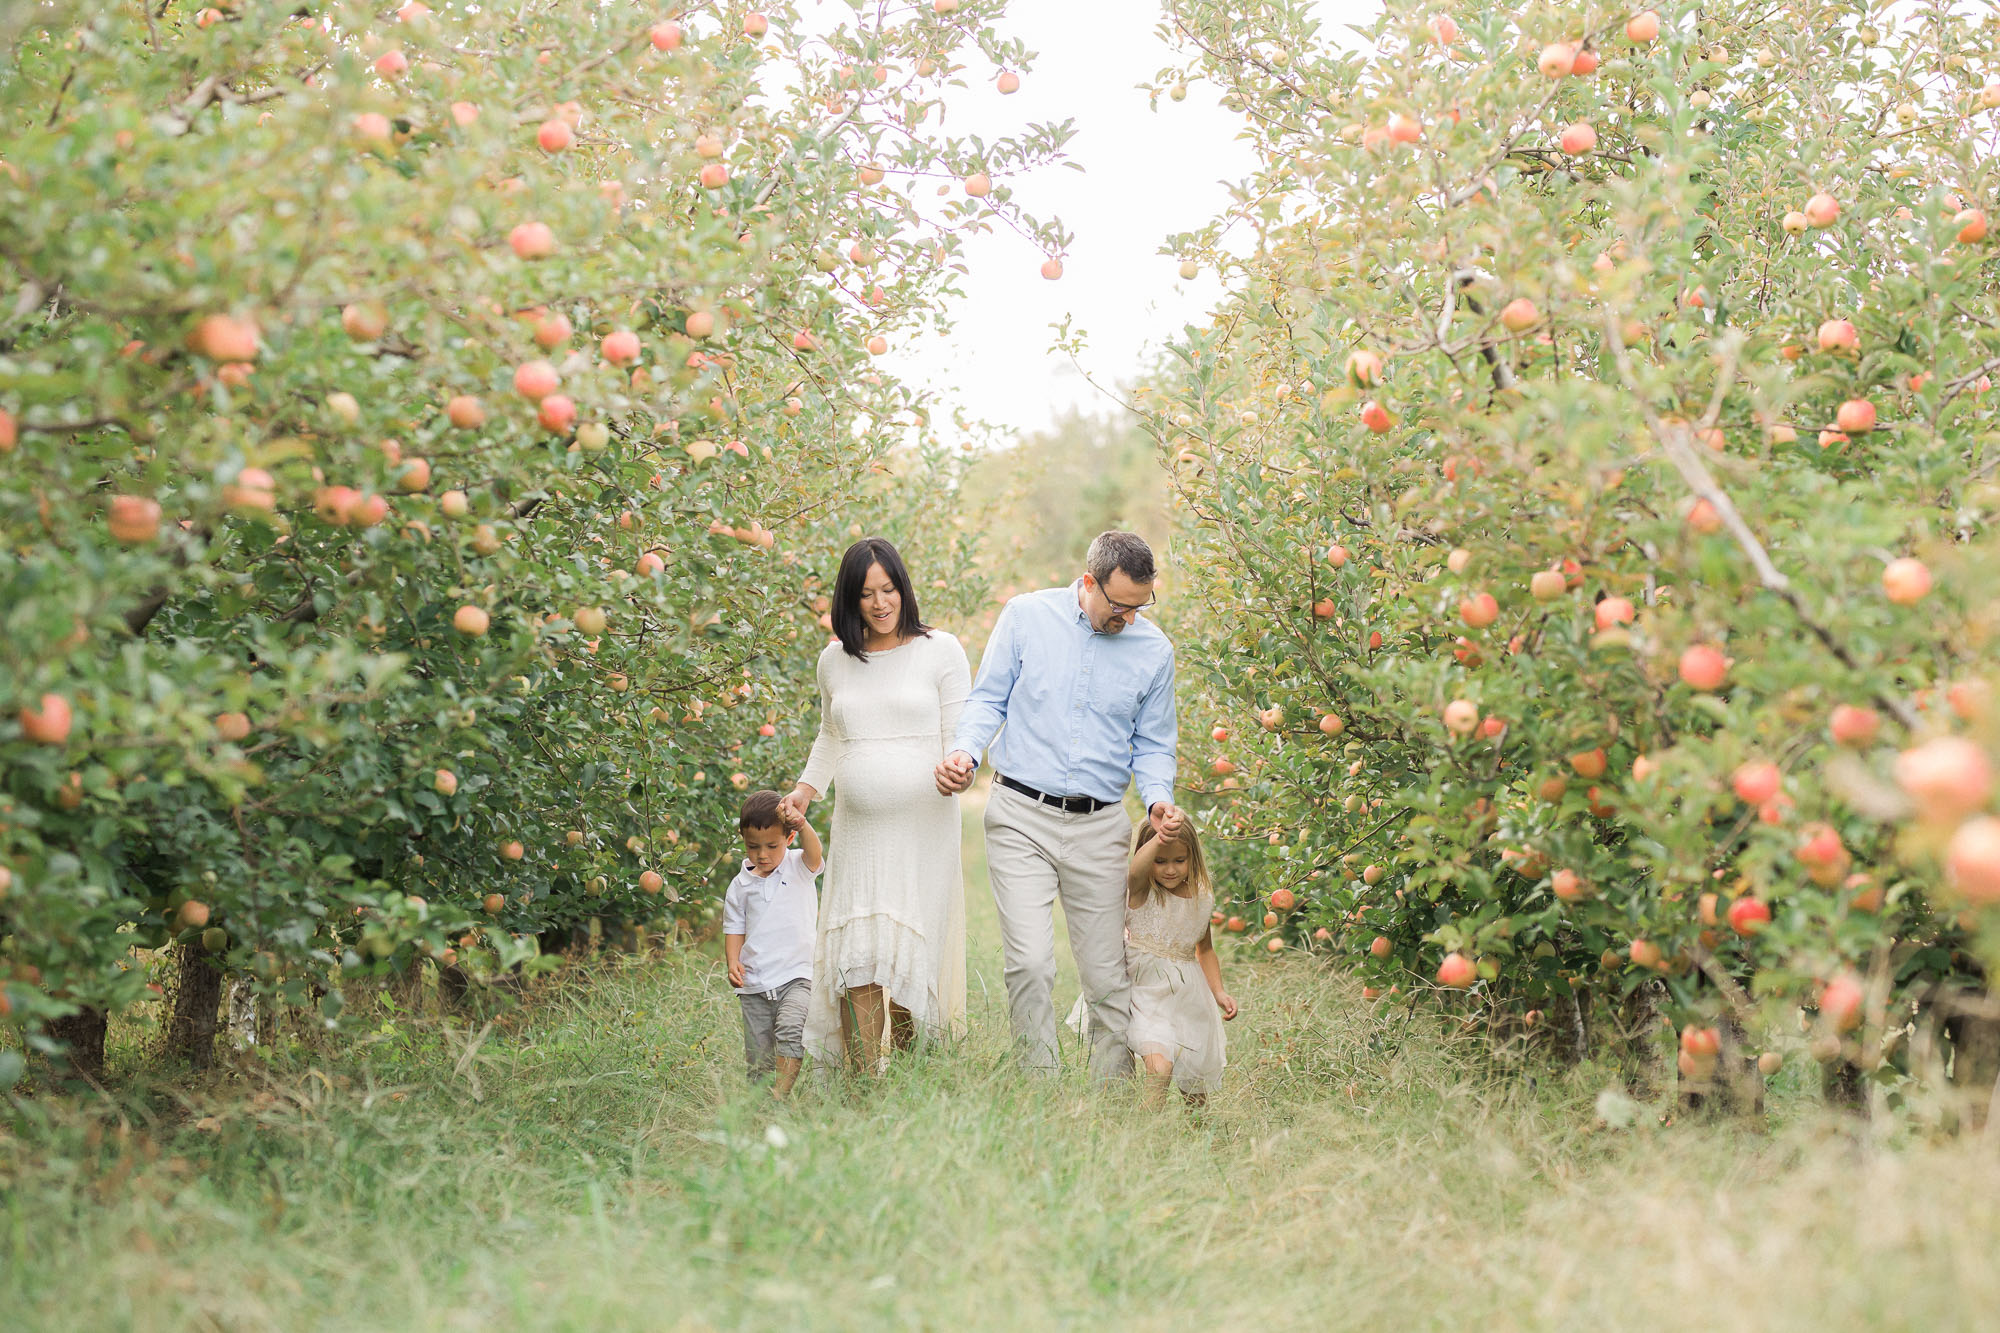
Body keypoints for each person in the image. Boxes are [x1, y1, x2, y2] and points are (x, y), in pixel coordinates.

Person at [936, 530, 1184, 1079]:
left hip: (1100, 827)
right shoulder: (1026, 617)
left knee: (1106, 974)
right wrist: (964, 753)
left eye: (1140, 607)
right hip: (1020, 814)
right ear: (1088, 582)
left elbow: (1154, 744)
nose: (1129, 618)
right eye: (1118, 606)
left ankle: (1109, 1095)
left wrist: (1158, 803)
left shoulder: (1154, 651)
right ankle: (1038, 1083)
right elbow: (987, 699)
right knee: (1028, 963)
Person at [782, 537, 970, 1074]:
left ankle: (911, 1076)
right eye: (867, 594)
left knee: (910, 949)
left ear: (903, 589)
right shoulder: (835, 660)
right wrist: (804, 790)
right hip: (859, 831)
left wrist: (962, 768)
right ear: (850, 599)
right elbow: (830, 734)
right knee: (858, 952)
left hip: (923, 830)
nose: (880, 603)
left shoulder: (941, 650)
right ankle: (862, 1084)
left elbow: (962, 736)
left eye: (889, 589)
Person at [1124, 820, 1235, 1105]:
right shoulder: (1140, 891)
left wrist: (1219, 991)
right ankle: (1149, 1138)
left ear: (1192, 857)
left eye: (1179, 860)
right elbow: (1136, 869)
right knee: (1160, 1070)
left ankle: (1197, 1142)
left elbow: (1205, 949)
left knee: (1195, 1088)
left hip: (1187, 998)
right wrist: (1160, 835)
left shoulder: (1201, 898)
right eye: (1160, 861)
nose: (1170, 869)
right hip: (1146, 994)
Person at [722, 790, 824, 1097]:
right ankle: (762, 1106)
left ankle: (779, 1096)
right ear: (743, 839)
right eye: (753, 847)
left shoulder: (798, 867)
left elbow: (815, 852)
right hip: (755, 983)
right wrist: (732, 961)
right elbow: (734, 927)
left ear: (789, 838)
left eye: (772, 846)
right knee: (758, 1055)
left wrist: (803, 824)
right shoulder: (740, 885)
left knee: (792, 1031)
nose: (762, 854)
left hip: (797, 976)